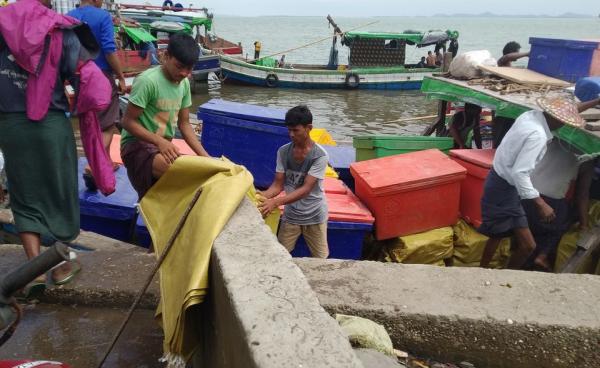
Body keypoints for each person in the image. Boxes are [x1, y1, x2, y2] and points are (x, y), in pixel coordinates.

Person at [0, 0, 101, 291]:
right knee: (60, 191)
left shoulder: (3, 26)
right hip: (49, 123)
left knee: (23, 195)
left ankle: (34, 267)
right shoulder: (60, 30)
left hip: (9, 125)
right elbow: (85, 75)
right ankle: (59, 266)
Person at [479, 97, 585, 270]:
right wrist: (540, 203)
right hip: (503, 187)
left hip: (503, 183)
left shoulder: (529, 115)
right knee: (510, 238)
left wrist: (595, 102)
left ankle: (502, 273)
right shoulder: (538, 135)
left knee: (504, 236)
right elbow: (520, 173)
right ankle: (485, 271)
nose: (564, 126)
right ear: (556, 119)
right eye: (564, 122)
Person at [120, 33, 210, 199]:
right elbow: (127, 122)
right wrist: (159, 141)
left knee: (200, 171)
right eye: (179, 66)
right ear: (165, 56)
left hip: (162, 148)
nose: (184, 73)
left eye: (189, 69)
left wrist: (206, 158)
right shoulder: (148, 81)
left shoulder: (183, 84)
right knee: (180, 175)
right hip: (135, 146)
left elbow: (184, 125)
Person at [68, 0, 126, 187]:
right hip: (100, 76)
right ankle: (94, 165)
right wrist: (121, 76)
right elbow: (109, 50)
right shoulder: (102, 16)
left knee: (91, 122)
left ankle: (106, 162)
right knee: (108, 125)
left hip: (77, 76)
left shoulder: (69, 15)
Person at [258, 106, 330, 258]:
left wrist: (275, 202)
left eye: (295, 130)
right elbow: (277, 185)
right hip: (291, 216)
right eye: (288, 130)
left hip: (315, 215)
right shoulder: (283, 152)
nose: (291, 134)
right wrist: (262, 196)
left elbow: (306, 189)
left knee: (321, 258)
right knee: (280, 256)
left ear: (309, 128)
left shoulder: (320, 156)